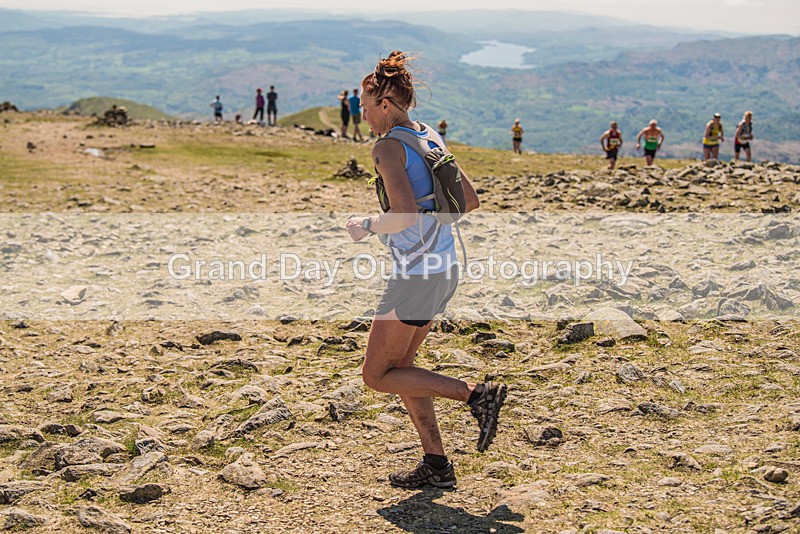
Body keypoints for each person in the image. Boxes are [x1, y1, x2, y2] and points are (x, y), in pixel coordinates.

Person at [346, 50, 506, 489]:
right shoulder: (428, 135)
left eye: (365, 105)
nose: (362, 114)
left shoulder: (387, 147)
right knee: (403, 365)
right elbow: (469, 200)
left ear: (384, 104)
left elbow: (403, 214)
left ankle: (476, 395)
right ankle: (436, 465)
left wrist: (366, 225)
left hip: (416, 275)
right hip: (445, 266)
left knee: (376, 375)